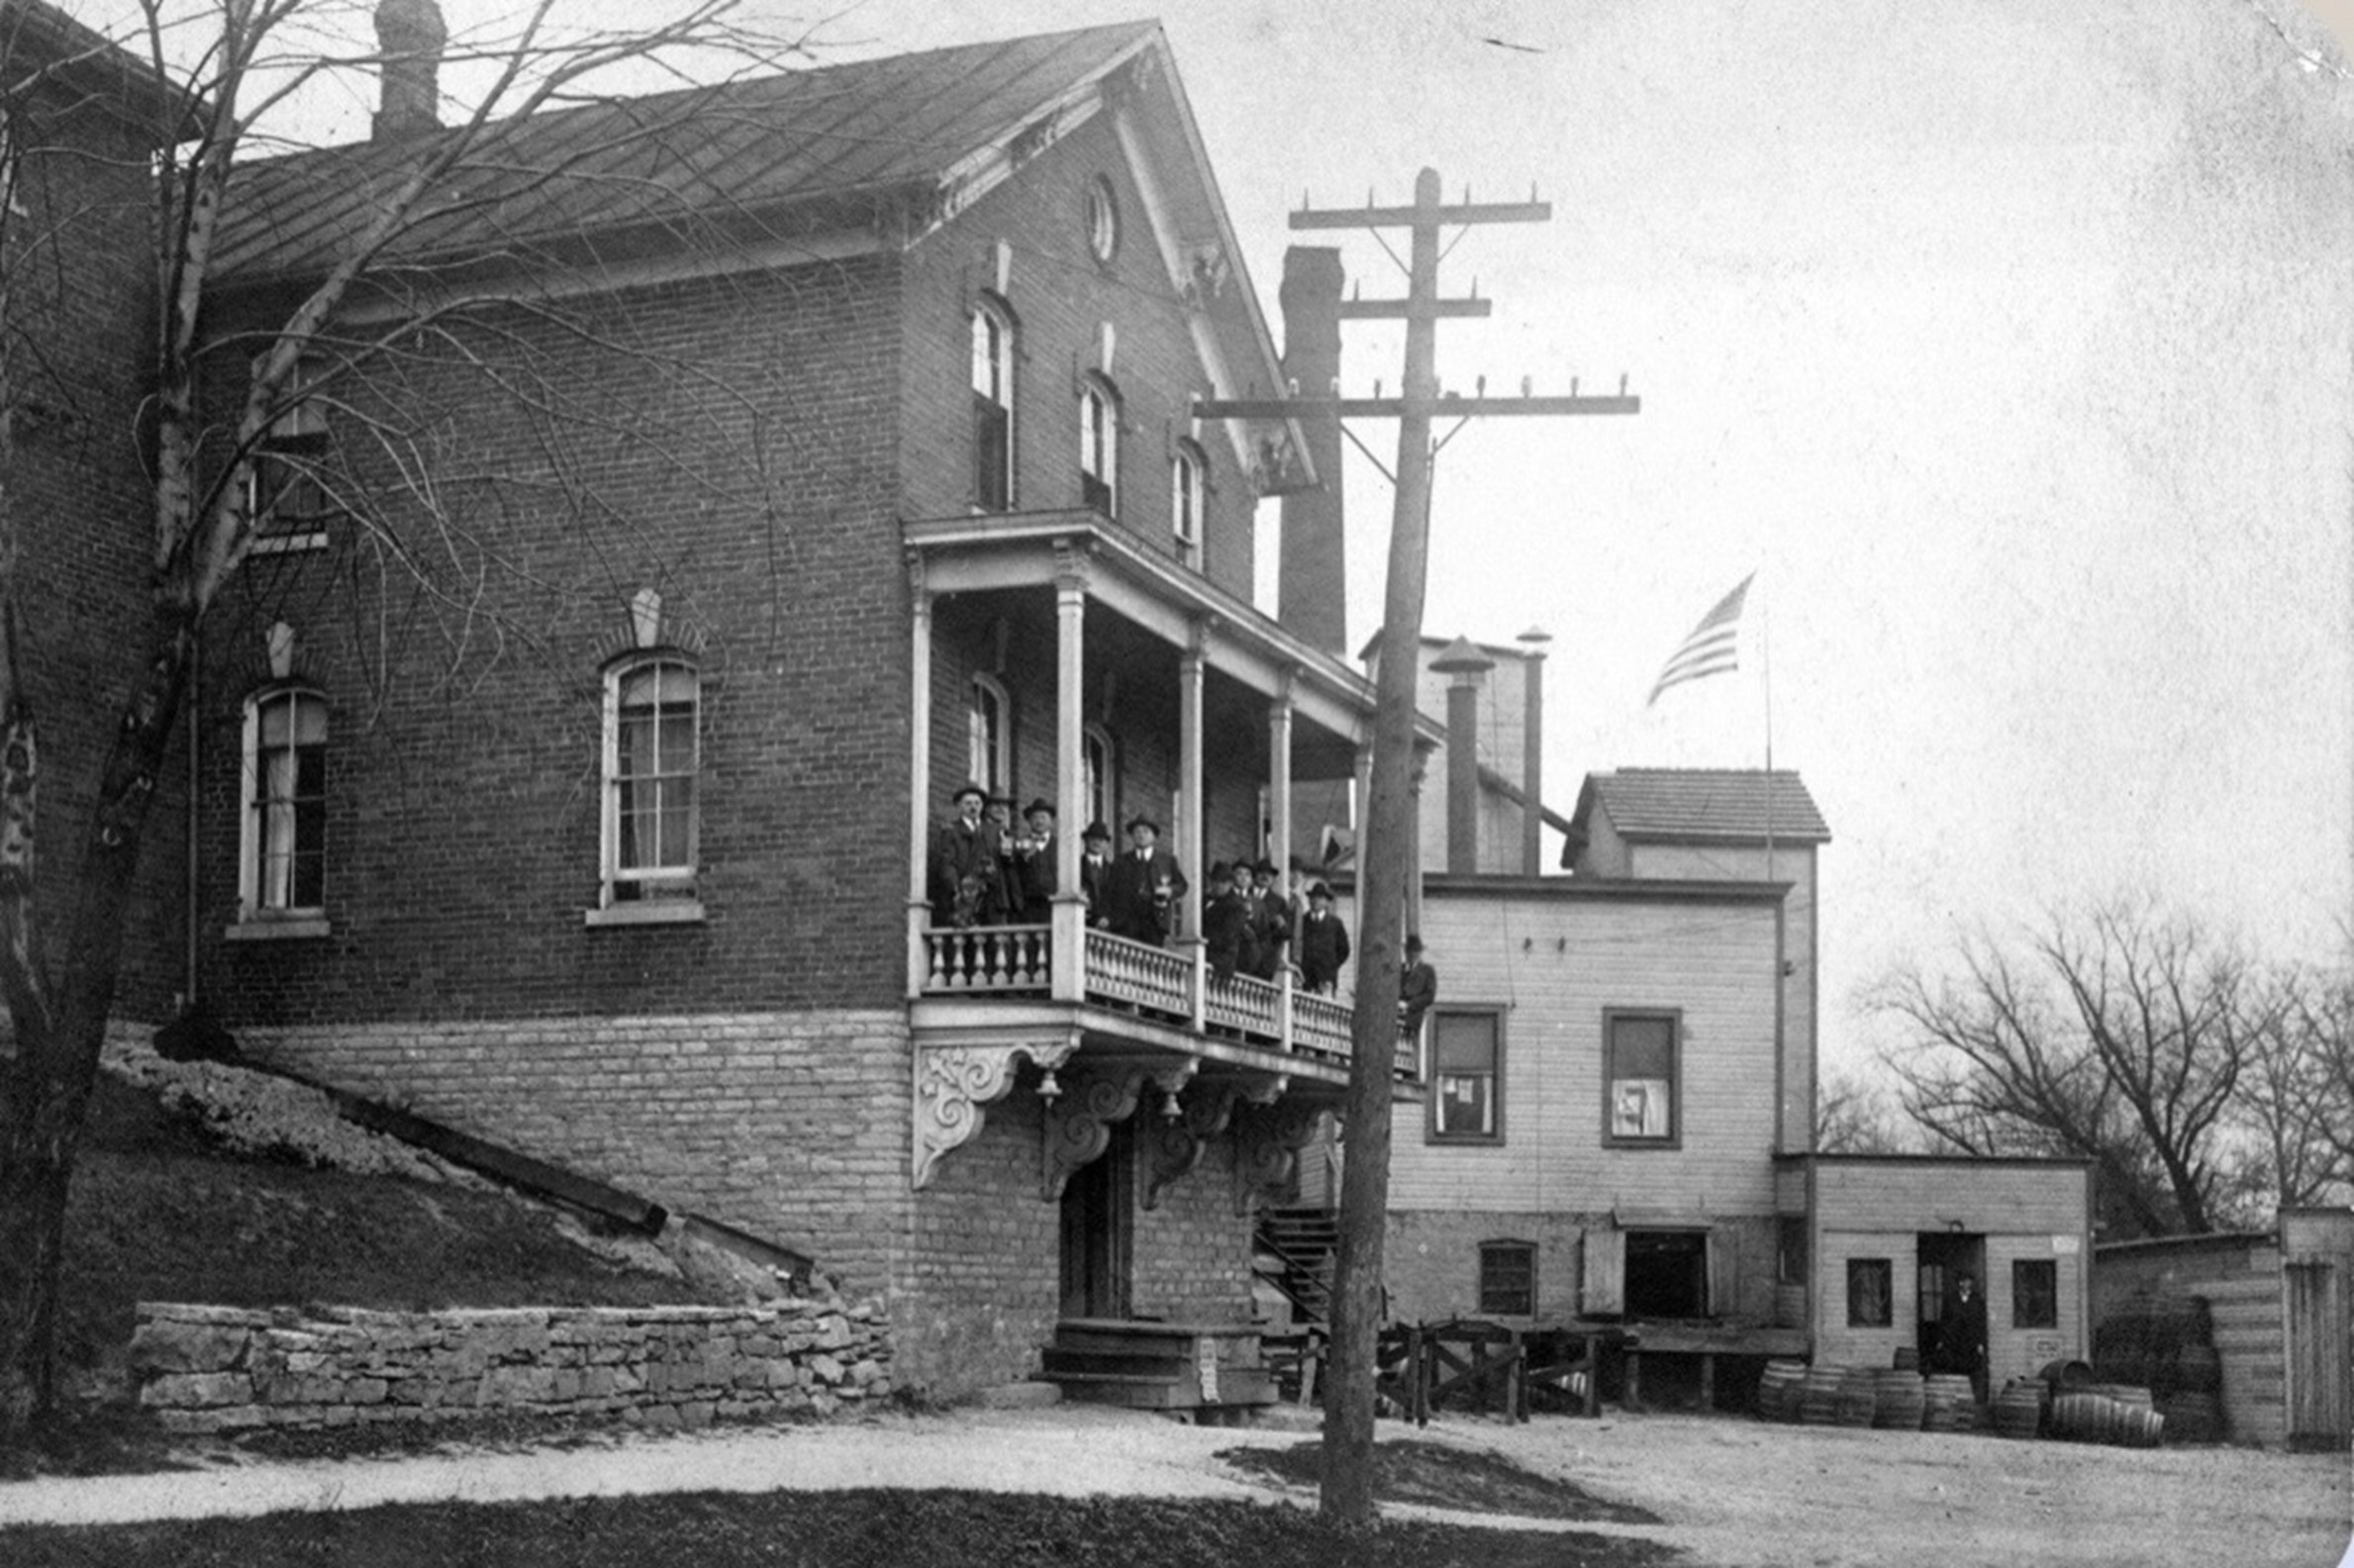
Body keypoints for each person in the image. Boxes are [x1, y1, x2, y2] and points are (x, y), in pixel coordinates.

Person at [928, 782, 1002, 929]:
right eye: (968, 803)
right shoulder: (951, 831)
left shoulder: (993, 831)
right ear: (960, 806)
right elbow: (947, 864)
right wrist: (958, 890)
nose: (973, 807)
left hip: (989, 899)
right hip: (963, 898)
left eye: (977, 803)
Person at [1105, 815, 1187, 945]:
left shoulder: (1166, 861)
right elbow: (1109, 891)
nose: (1141, 835)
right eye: (1137, 832)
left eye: (1145, 831)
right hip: (1126, 923)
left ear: (1154, 836)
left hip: (1154, 922)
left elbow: (1182, 885)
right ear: (1132, 836)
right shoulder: (1121, 861)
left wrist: (1169, 890)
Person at [1201, 860, 1256, 983]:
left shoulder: (1235, 906)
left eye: (1222, 882)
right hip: (1205, 960)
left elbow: (1228, 936)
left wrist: (1205, 941)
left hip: (1222, 964)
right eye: (1214, 881)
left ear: (1230, 884)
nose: (1217, 885)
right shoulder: (1205, 901)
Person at [1939, 1272, 1989, 1404]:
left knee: (1973, 1370)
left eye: (1968, 1281)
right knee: (1954, 1369)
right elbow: (1944, 1320)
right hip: (1954, 1341)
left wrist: (1981, 1343)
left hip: (1971, 1341)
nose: (1965, 1284)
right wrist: (1943, 1340)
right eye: (1962, 1281)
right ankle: (1955, 1399)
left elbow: (1981, 1322)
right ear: (1959, 1283)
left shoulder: (1977, 1300)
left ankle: (1973, 1401)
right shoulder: (1951, 1300)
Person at [1011, 797, 1058, 924]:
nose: (1039, 821)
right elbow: (1014, 874)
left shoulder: (1061, 847)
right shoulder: (1020, 844)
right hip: (1028, 905)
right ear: (1029, 821)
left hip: (1054, 905)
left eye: (1043, 817)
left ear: (1051, 821)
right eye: (1035, 818)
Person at [1298, 881, 1350, 994]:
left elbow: (1344, 950)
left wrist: (1331, 966)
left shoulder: (1335, 924)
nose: (1315, 900)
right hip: (1305, 978)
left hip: (1326, 978)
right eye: (1313, 897)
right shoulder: (1302, 921)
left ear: (1326, 902)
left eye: (1320, 897)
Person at [1246, 858, 1291, 980]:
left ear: (1273, 879)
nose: (1265, 876)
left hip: (1266, 959)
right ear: (1255, 875)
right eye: (1261, 872)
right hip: (1244, 955)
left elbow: (1287, 933)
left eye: (1270, 874)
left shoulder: (1279, 902)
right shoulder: (1245, 895)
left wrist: (1281, 925)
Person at [1078, 820, 1116, 930]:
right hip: (1082, 924)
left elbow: (1117, 901)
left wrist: (1108, 919)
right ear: (1085, 841)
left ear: (1106, 844)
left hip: (1106, 927)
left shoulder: (1113, 870)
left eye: (1100, 840)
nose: (1096, 843)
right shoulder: (1076, 866)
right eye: (1092, 839)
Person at [1398, 932, 1437, 1037]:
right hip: (1395, 1012)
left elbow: (1429, 996)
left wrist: (1409, 1005)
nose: (1412, 955)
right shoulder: (1399, 970)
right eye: (1409, 951)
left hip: (1413, 1014)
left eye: (1415, 952)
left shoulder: (1427, 971)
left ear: (1419, 953)